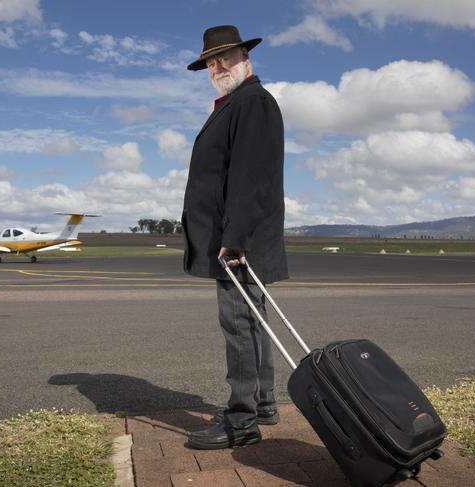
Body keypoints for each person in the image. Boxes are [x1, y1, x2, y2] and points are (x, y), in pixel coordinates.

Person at [181, 25, 288, 450]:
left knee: (239, 325)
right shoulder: (235, 104)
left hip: (239, 239)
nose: (217, 66)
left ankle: (241, 422)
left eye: (226, 56)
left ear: (247, 57)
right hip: (238, 235)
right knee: (252, 321)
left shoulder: (253, 102)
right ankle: (262, 404)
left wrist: (235, 237)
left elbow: (250, 176)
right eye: (211, 60)